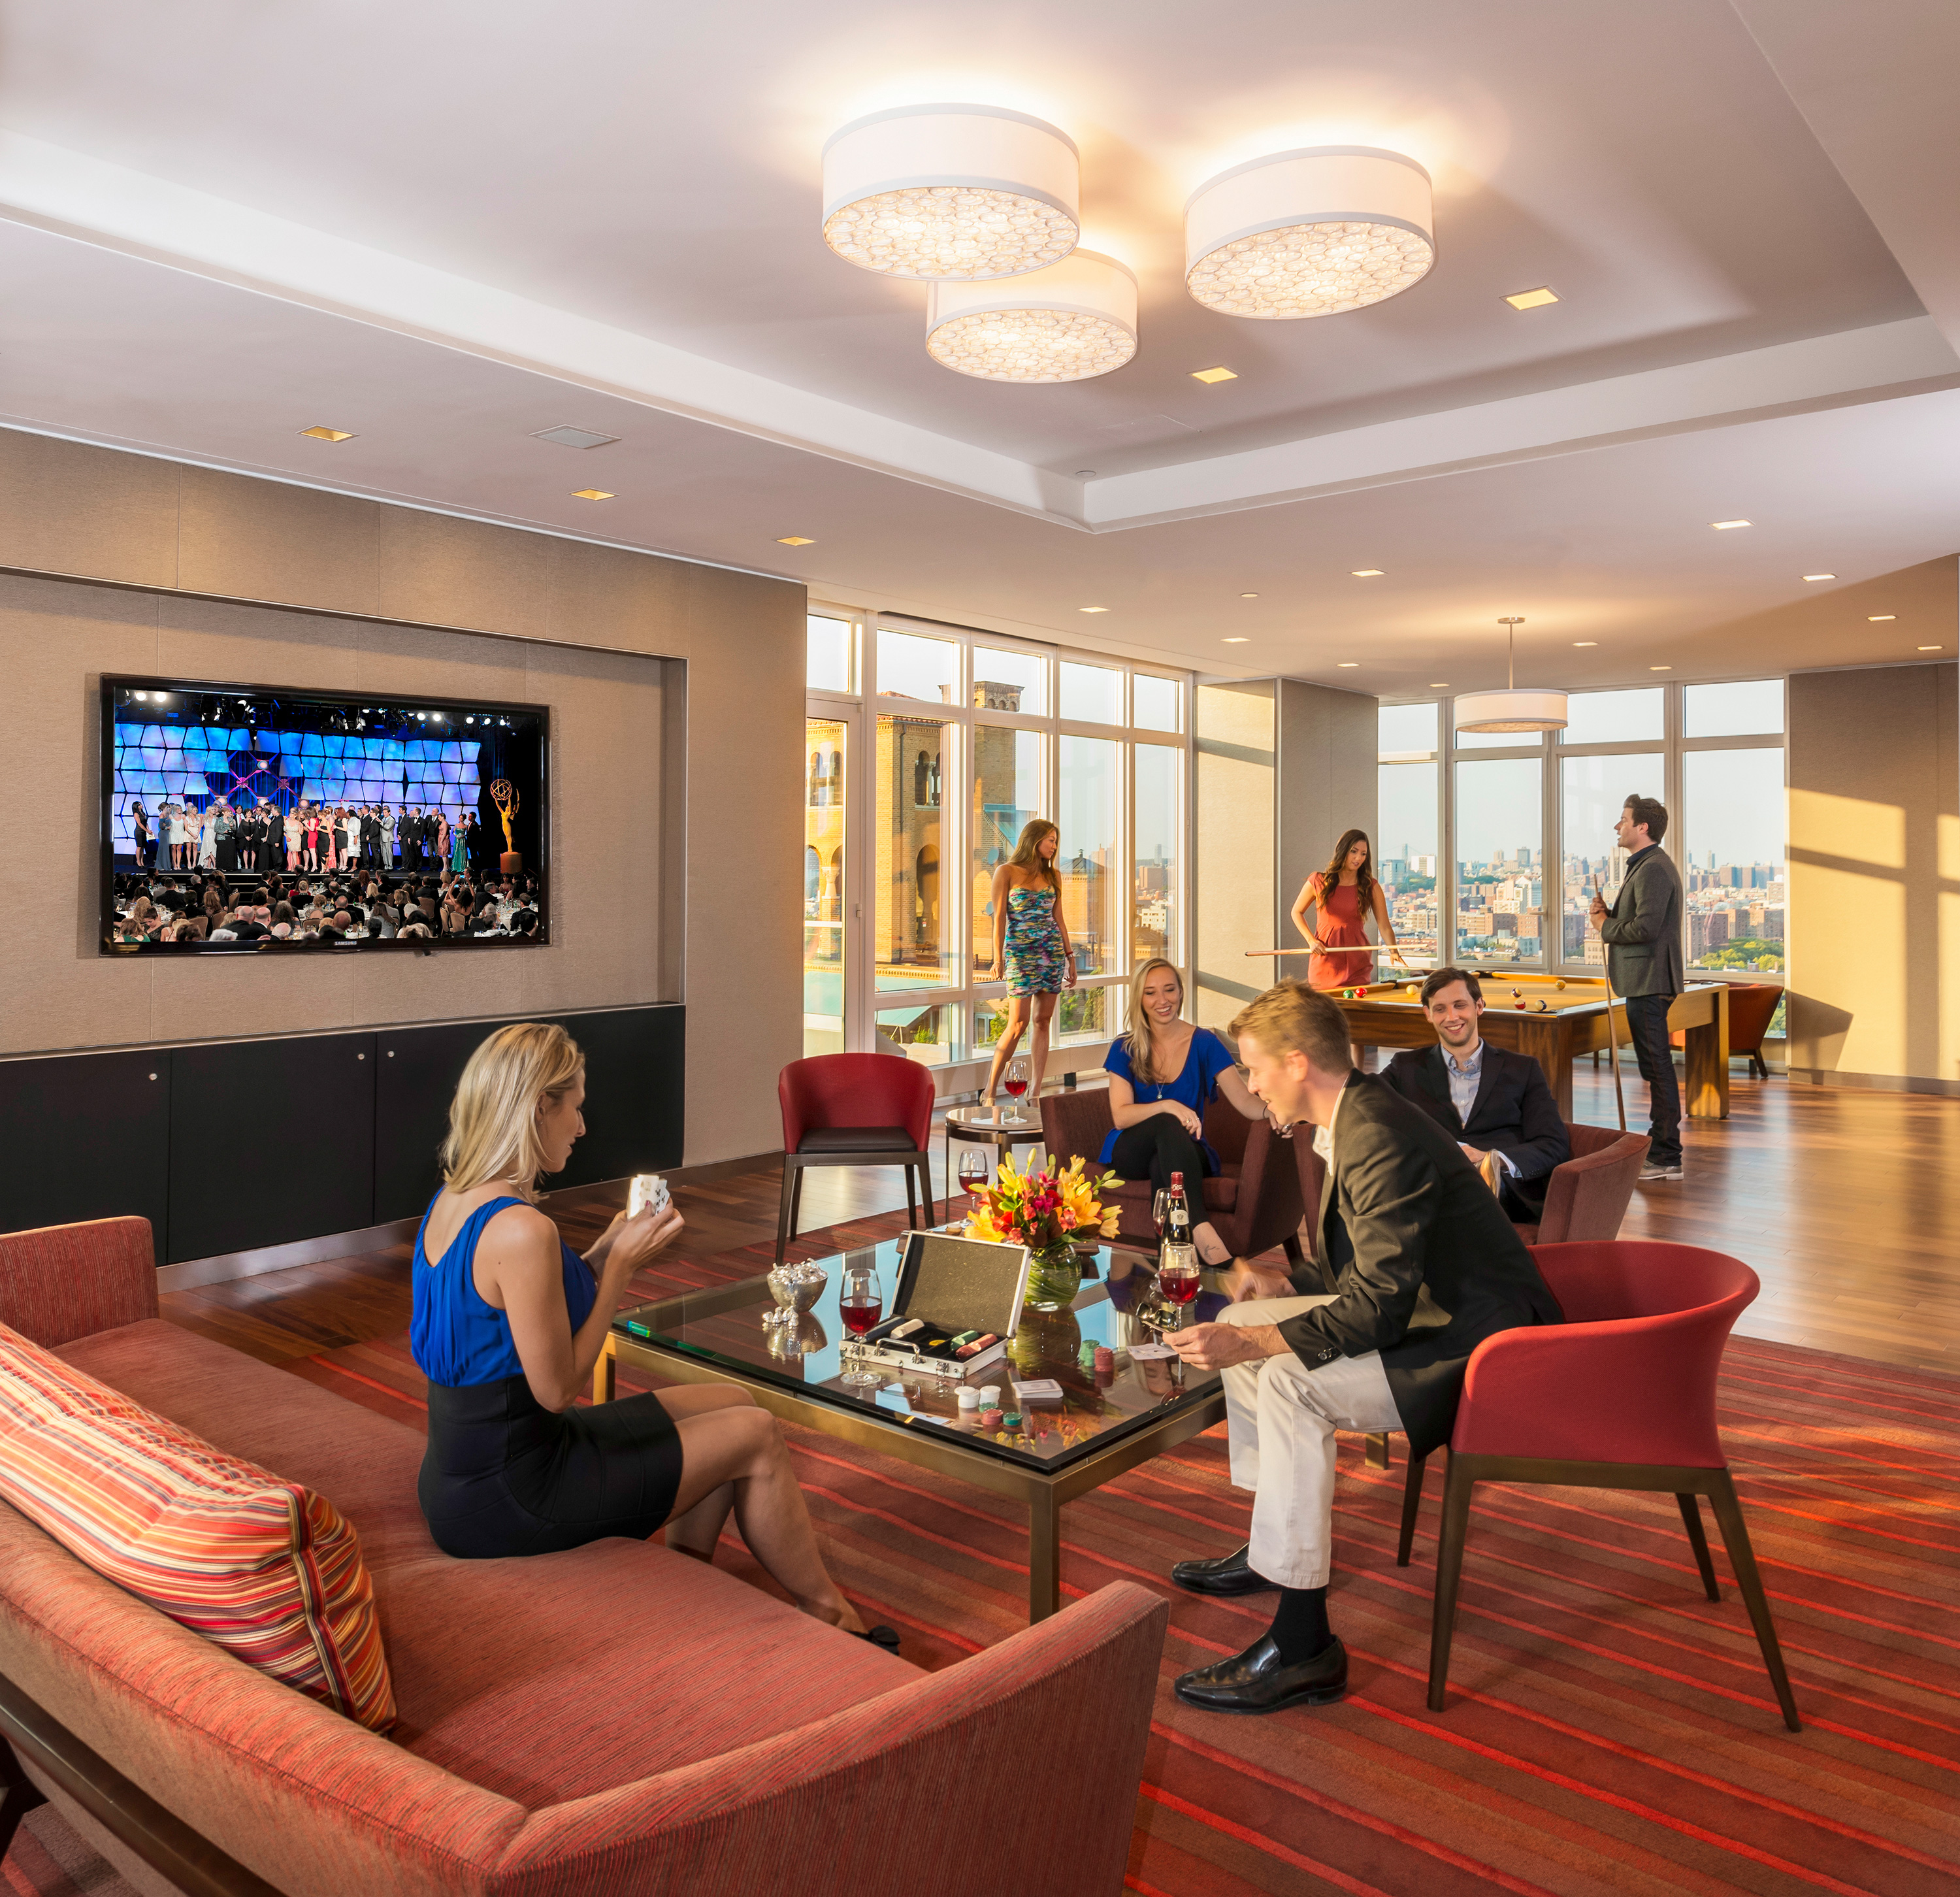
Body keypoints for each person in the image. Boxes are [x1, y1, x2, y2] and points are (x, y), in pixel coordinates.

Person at [409, 1023, 894, 1641]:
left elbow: (520, 1309)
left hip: (472, 1471)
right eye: (575, 1107)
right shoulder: (521, 1229)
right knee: (757, 1435)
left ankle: (683, 1575)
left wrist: (602, 1250)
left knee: (733, 1400)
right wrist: (619, 1270)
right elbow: (557, 1389)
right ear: (538, 1108)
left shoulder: (456, 1199)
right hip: (514, 1495)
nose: (581, 1127)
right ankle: (831, 1613)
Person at [1161, 980, 1560, 1715]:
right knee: (1257, 1326)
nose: (1249, 1085)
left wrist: (1254, 1337)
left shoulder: (1375, 1131)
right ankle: (1273, 1545)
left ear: (1297, 1062)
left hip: (1473, 1345)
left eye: (1255, 1068)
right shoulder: (1356, 1112)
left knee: (1282, 1377)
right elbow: (1371, 1264)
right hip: (1429, 1310)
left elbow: (1378, 1304)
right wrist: (1279, 1288)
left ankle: (1304, 1644)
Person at [1102, 958, 1269, 1266]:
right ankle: (1203, 1233)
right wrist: (1168, 1105)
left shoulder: (1205, 1043)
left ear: (1181, 992)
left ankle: (1170, 1263)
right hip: (1131, 1150)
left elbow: (1244, 1101)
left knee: (1162, 1166)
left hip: (1189, 1150)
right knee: (1165, 1124)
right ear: (1139, 998)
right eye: (1150, 993)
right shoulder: (1125, 1047)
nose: (1162, 1000)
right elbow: (1121, 1117)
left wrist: (1276, 1112)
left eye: (1169, 990)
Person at [1379, 968, 1571, 1221]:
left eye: (1460, 1005)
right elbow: (1363, 1107)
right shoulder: (1404, 1067)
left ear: (1479, 1006)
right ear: (1428, 1014)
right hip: (1428, 1184)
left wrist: (1493, 1160)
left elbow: (1554, 1144)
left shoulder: (1523, 1069)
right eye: (1440, 1009)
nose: (1452, 1017)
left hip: (1503, 1194)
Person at [1590, 794, 1686, 1182]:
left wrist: (1604, 927)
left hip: (1649, 980)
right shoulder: (1646, 865)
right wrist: (1609, 916)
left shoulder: (1653, 868)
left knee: (1657, 1068)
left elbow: (1646, 929)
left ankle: (1666, 1155)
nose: (1618, 826)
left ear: (1642, 827)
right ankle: (1661, 1145)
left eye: (1624, 820)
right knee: (1654, 1066)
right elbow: (1644, 920)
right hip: (1646, 980)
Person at [980, 818, 1075, 1110]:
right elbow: (999, 918)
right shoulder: (1006, 871)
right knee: (1017, 1024)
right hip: (1020, 956)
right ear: (1035, 840)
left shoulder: (1054, 875)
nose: (1054, 846)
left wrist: (1070, 958)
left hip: (1051, 955)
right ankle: (990, 1090)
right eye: (1051, 840)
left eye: (1056, 841)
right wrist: (998, 959)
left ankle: (1035, 1090)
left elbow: (1059, 919)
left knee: (1042, 1021)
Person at [1289, 829, 1405, 992]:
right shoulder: (1318, 881)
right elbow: (1296, 912)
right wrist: (1311, 940)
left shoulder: (1370, 886)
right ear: (1343, 850)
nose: (1359, 858)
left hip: (1358, 960)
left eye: (1363, 854)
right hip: (1326, 959)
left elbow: (1384, 925)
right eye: (1354, 851)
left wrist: (1394, 951)